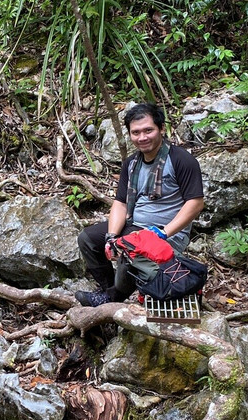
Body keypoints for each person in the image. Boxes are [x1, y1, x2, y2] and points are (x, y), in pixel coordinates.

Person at [75, 102, 205, 307]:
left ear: (161, 128)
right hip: (135, 226)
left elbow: (196, 203)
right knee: (88, 239)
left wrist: (164, 232)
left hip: (166, 233)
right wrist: (111, 237)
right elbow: (120, 202)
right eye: (136, 132)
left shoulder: (181, 160)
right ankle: (108, 290)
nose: (142, 137)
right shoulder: (132, 163)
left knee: (129, 249)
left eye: (148, 130)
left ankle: (111, 298)